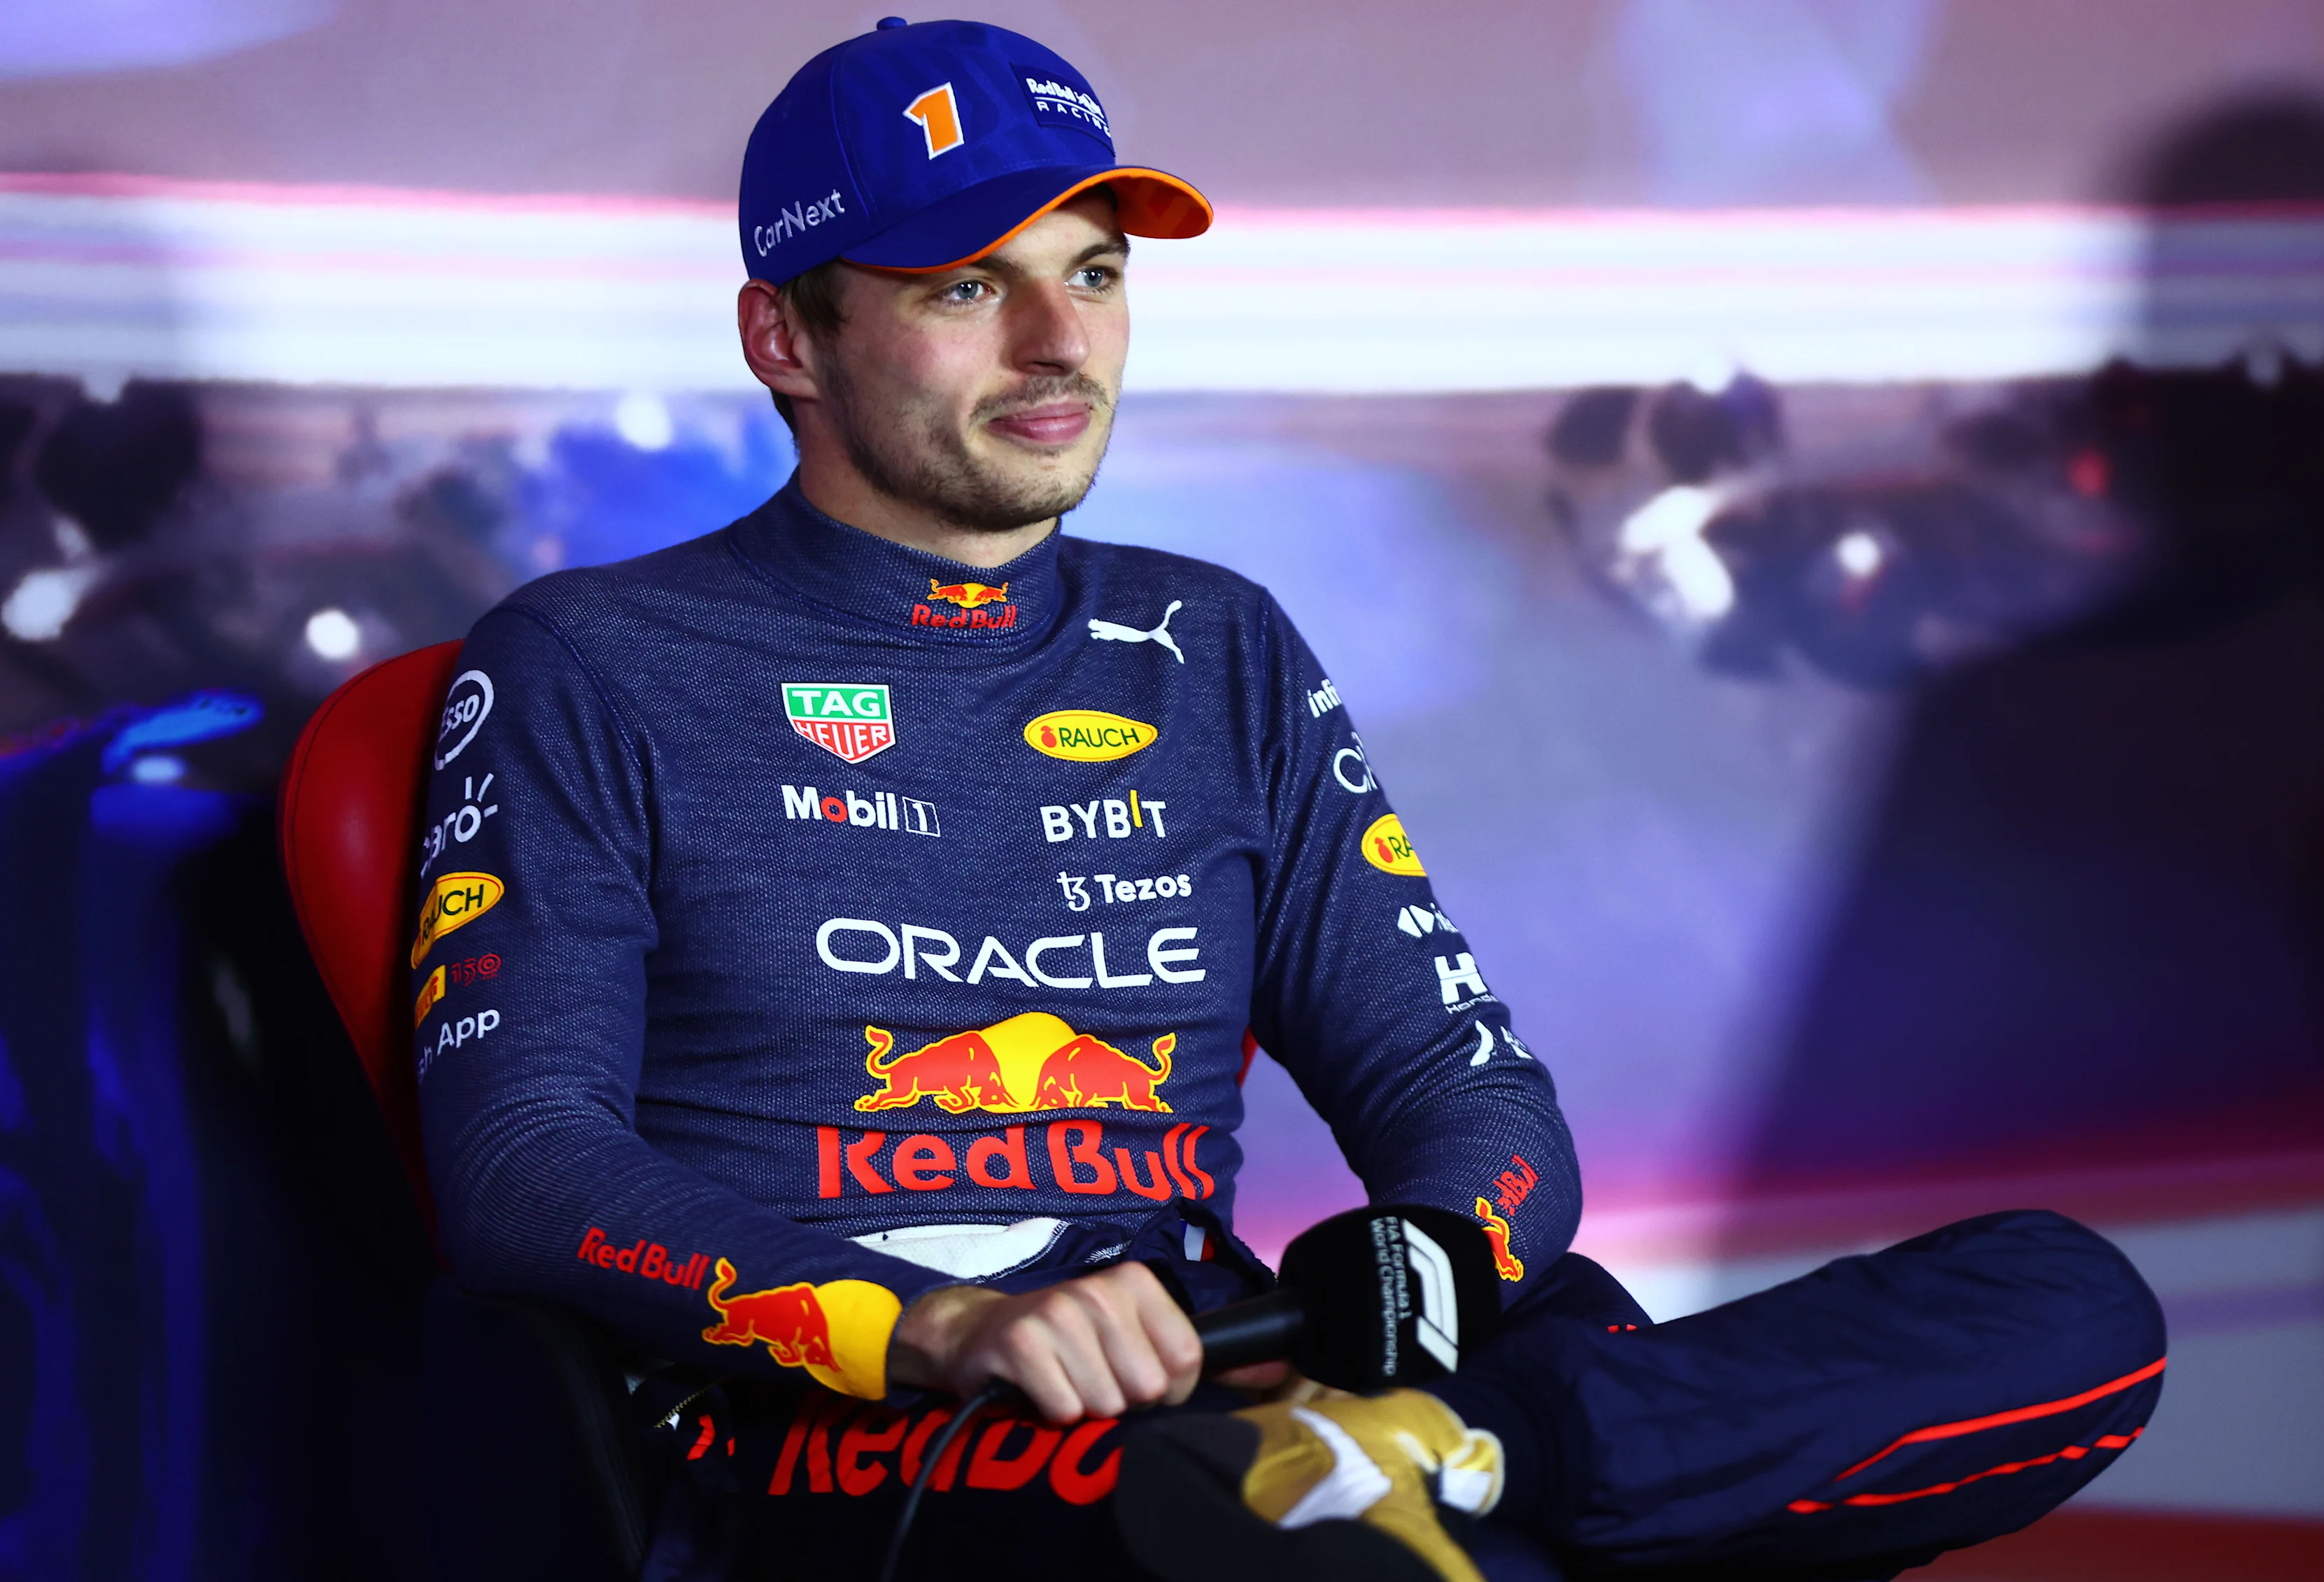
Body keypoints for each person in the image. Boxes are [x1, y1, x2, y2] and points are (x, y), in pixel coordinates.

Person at [411, 19, 2164, 1581]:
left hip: (1241, 1364)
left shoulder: (1213, 643)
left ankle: (1439, 1457)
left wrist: (1433, 1258)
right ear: (786, 337)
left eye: (1094, 273)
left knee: (2058, 1301)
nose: (1056, 342)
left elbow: (1461, 1088)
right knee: (1376, 1509)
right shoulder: (587, 658)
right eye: (965, 289)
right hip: (866, 1422)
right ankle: (1445, 1486)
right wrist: (940, 1325)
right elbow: (520, 1163)